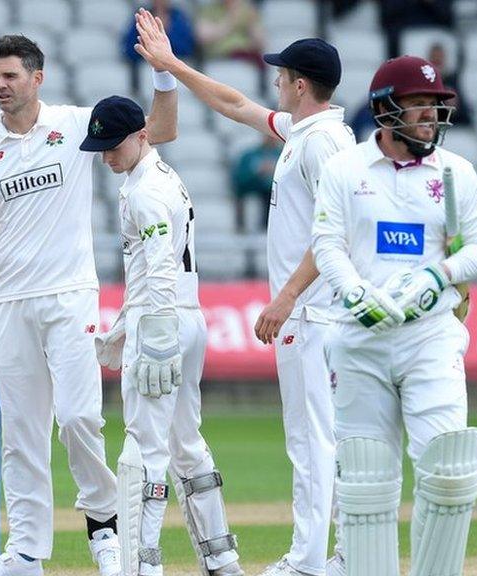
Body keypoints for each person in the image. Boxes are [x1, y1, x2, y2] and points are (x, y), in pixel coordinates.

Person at [0, 20, 179, 576]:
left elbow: (159, 130)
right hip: (12, 302)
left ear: (37, 78)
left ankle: (104, 525)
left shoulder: (73, 126)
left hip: (71, 295)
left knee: (78, 419)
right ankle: (25, 553)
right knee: (21, 433)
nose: (0, 84)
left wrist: (163, 74)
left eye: (10, 75)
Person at [134, 14, 355, 576]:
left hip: (313, 313)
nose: (275, 82)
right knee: (316, 440)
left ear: (301, 85)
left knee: (312, 443)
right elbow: (234, 104)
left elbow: (337, 232)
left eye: (283, 75)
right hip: (309, 312)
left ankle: (310, 560)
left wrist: (285, 300)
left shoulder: (323, 143)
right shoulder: (308, 133)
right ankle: (344, 554)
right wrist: (173, 66)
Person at [311, 54, 477, 576]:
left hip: (431, 335)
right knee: (367, 479)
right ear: (386, 110)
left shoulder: (457, 174)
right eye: (419, 106)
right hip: (359, 337)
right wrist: (352, 293)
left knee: (449, 468)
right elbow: (327, 243)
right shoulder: (343, 169)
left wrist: (437, 277)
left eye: (436, 107)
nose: (431, 118)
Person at [84, 96, 244, 576]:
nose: (108, 156)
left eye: (114, 146)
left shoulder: (145, 191)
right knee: (184, 441)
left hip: (164, 321)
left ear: (140, 136)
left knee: (144, 449)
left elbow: (157, 268)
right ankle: (221, 558)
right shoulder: (159, 176)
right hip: (185, 317)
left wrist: (151, 335)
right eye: (101, 148)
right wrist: (126, 325)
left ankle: (139, 565)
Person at [231, 133, 282, 230]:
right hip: (252, 186)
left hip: (272, 189)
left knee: (271, 194)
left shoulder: (282, 154)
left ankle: (267, 226)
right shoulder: (250, 155)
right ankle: (241, 227)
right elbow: (240, 177)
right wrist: (257, 171)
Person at [195, 0, 265, 66]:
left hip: (246, 55)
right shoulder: (209, 10)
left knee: (261, 60)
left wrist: (252, 24)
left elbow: (260, 43)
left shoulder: (246, 9)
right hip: (221, 56)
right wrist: (230, 20)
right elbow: (202, 37)